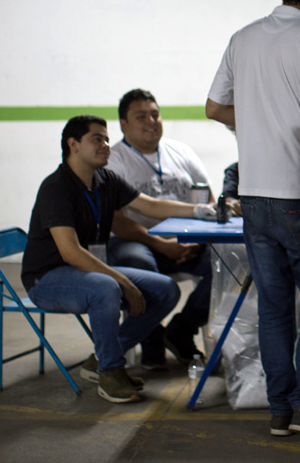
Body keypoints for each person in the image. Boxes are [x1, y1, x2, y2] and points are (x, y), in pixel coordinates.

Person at [205, 0, 300, 438]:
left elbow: (214, 107)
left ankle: (279, 411)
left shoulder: (242, 38)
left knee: (273, 306)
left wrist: (258, 119)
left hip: (254, 198)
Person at [21, 115, 217, 403]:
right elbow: (70, 252)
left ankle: (100, 359)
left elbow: (149, 205)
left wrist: (198, 211)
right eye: (96, 139)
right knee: (106, 287)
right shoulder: (57, 188)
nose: (106, 145)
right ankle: (111, 371)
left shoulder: (105, 180)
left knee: (166, 290)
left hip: (84, 273)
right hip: (48, 279)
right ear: (72, 145)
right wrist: (122, 279)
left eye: (106, 138)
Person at [106, 88, 217, 369]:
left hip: (186, 240)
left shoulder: (181, 152)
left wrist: (199, 242)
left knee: (226, 266)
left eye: (154, 114)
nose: (151, 121)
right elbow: (115, 220)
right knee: (137, 264)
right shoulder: (114, 161)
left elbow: (208, 201)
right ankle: (150, 336)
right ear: (123, 124)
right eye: (141, 116)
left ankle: (181, 330)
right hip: (136, 241)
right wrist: (160, 244)